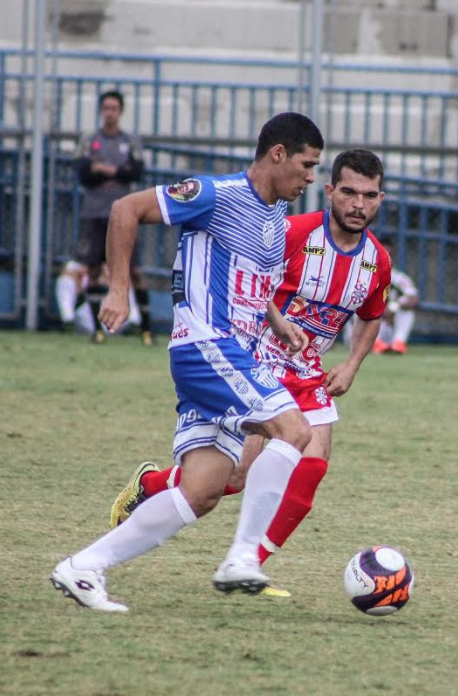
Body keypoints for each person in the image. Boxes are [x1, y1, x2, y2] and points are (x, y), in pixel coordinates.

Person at [50, 112, 324, 612]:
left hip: (230, 353)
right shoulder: (214, 193)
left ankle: (83, 566)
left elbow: (244, 279)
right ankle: (242, 558)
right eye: (307, 165)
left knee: (204, 489)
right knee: (294, 429)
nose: (311, 178)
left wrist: (277, 320)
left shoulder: (273, 219)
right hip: (207, 347)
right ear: (278, 153)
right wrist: (118, 288)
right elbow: (124, 209)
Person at [108, 149, 392, 597]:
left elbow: (373, 312)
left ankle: (248, 564)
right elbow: (251, 278)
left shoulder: (377, 260)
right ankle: (152, 484)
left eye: (370, 195)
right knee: (234, 478)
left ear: (381, 198)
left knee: (311, 470)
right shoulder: (294, 231)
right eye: (350, 193)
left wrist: (352, 364)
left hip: (309, 373)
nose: (359, 204)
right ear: (330, 191)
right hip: (258, 360)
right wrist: (277, 320)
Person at [74, 90, 154, 345]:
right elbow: (83, 173)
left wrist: (105, 168)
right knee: (94, 269)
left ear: (120, 111)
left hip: (125, 217)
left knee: (136, 270)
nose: (110, 112)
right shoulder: (90, 139)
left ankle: (146, 330)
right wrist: (117, 172)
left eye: (114, 108)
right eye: (106, 108)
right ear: (101, 110)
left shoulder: (129, 140)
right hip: (95, 213)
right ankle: (98, 330)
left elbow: (137, 172)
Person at [55, 260, 141, 334]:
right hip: (87, 316)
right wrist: (85, 274)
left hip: (114, 316)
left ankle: (134, 324)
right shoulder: (77, 267)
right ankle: (68, 322)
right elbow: (66, 273)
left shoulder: (114, 264)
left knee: (125, 280)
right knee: (65, 280)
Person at [373, 236, 419, 354]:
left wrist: (394, 307)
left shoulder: (399, 277)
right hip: (366, 327)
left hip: (388, 325)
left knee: (407, 310)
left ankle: (398, 343)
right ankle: (374, 344)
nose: (386, 258)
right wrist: (381, 311)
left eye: (390, 255)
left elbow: (413, 299)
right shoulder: (364, 272)